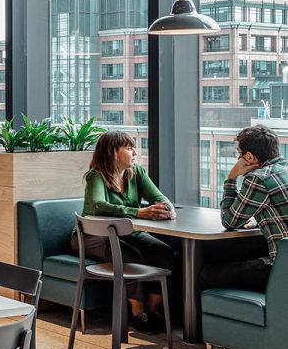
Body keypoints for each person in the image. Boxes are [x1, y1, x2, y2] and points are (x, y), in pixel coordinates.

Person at [72, 129, 179, 332]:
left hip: (129, 233)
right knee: (130, 256)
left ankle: (153, 310)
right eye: (129, 148)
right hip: (93, 236)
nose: (135, 153)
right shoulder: (96, 176)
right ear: (114, 152)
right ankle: (138, 312)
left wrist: (167, 209)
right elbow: (96, 205)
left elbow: (160, 197)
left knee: (164, 254)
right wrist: (137, 212)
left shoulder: (136, 172)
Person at [199, 125, 288, 293]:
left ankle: (191, 320)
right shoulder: (284, 169)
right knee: (249, 255)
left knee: (207, 274)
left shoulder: (259, 178)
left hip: (280, 268)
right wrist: (257, 217)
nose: (238, 159)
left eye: (239, 154)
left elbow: (229, 221)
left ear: (249, 157)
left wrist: (231, 177)